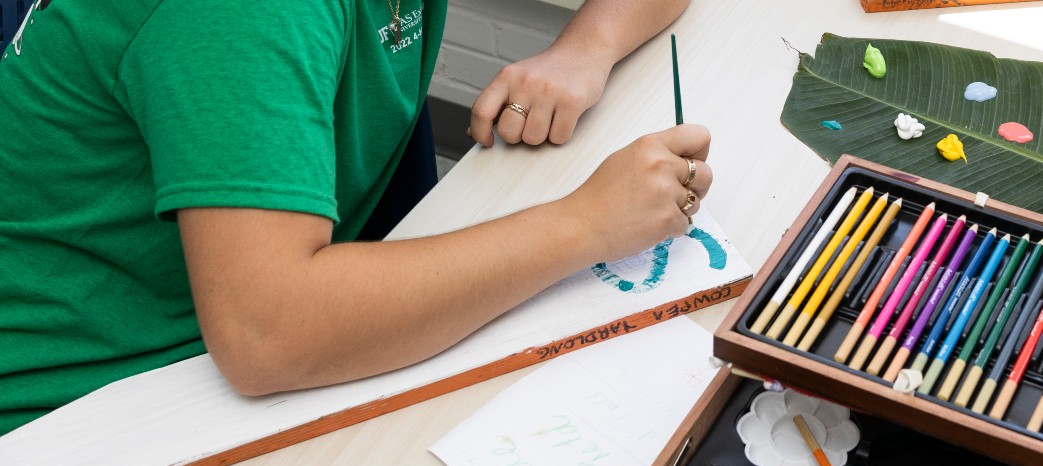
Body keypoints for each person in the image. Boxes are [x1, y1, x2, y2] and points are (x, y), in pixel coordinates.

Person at [0, 0, 706, 435]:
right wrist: (586, 225)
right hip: (83, 409)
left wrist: (585, 49)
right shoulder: (237, 14)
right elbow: (268, 335)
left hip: (245, 313)